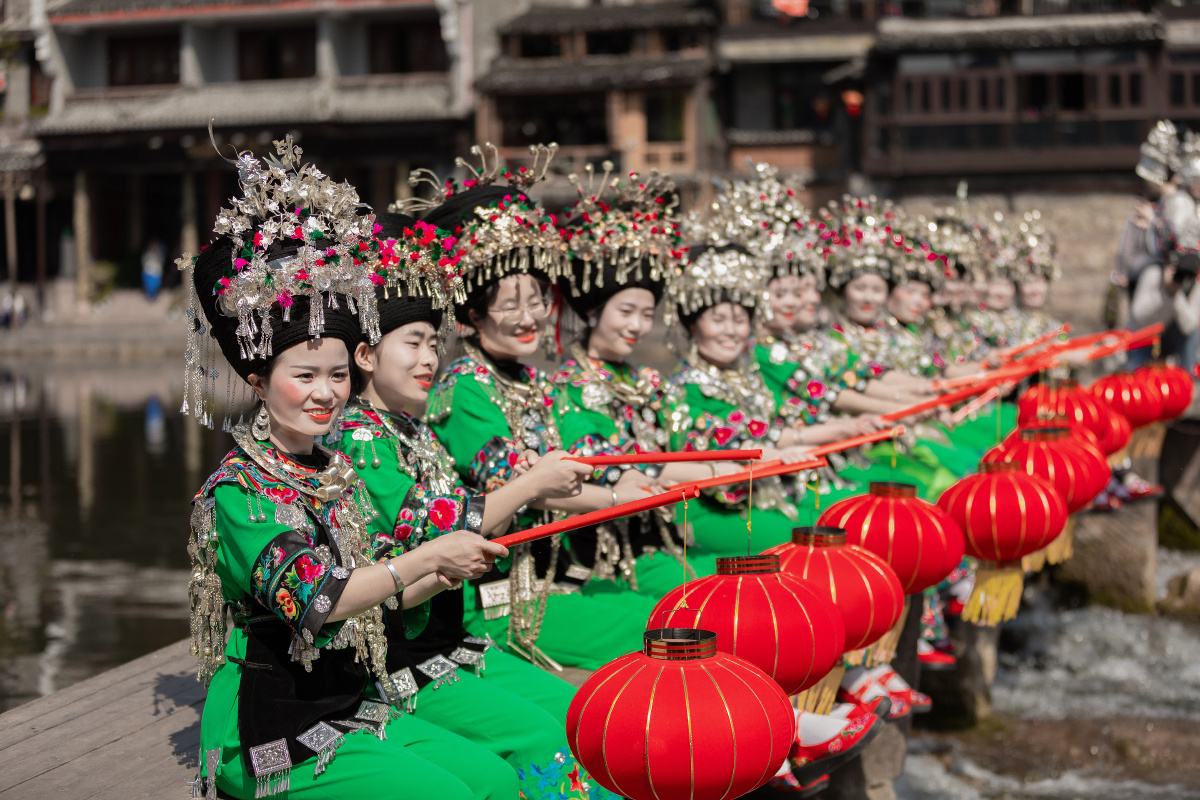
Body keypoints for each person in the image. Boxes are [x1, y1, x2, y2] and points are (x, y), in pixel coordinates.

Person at [185, 139, 519, 799]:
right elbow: (315, 601)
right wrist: (420, 561)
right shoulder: (240, 490)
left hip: (348, 701)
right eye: (303, 375)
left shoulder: (334, 471)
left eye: (338, 373)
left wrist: (439, 567)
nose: (325, 392)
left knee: (495, 778)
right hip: (270, 731)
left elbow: (382, 602)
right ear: (258, 379)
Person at [325, 210, 615, 800]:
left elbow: (465, 523)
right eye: (413, 343)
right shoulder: (359, 440)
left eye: (435, 342)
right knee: (548, 736)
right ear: (364, 355)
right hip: (401, 661)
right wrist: (533, 484)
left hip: (452, 641)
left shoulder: (413, 431)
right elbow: (450, 526)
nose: (430, 358)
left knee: (585, 710)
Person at [411, 144, 656, 670]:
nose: (530, 317)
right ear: (471, 316)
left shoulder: (529, 382)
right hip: (506, 604)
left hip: (557, 583)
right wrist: (613, 495)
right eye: (509, 303)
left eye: (537, 298)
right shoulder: (462, 391)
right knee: (668, 626)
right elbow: (513, 487)